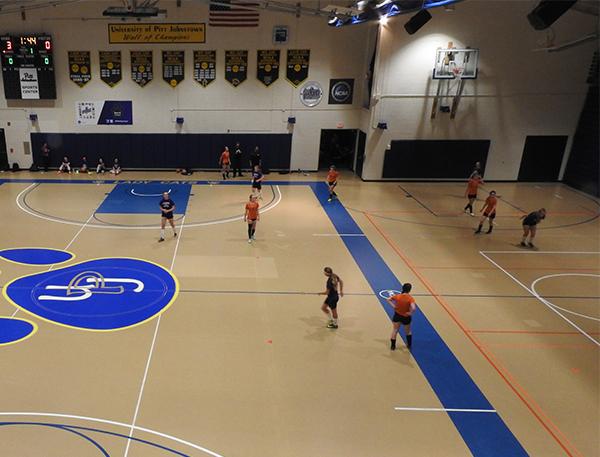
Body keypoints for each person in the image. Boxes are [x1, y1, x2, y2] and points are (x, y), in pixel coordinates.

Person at [387, 283, 417, 350]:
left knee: (395, 330)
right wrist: (410, 313)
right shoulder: (410, 298)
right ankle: (409, 345)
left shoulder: (398, 296)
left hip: (397, 315)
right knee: (408, 331)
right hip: (406, 317)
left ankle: (393, 346)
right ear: (409, 290)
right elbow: (414, 308)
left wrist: (394, 306)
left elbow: (388, 299)